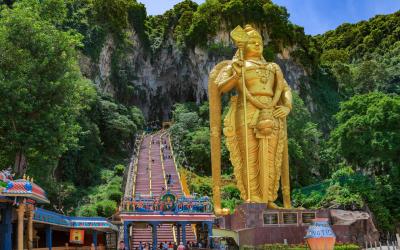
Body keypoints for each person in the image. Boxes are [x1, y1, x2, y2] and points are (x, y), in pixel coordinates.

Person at [209, 24, 293, 211]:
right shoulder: (237, 65)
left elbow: (285, 89)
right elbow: (221, 87)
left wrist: (287, 105)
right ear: (242, 45)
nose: (257, 44)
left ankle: (269, 198)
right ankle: (252, 197)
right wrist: (236, 74)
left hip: (272, 113)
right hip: (247, 111)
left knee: (272, 157)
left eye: (260, 41)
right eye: (252, 41)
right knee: (249, 155)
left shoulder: (273, 67)